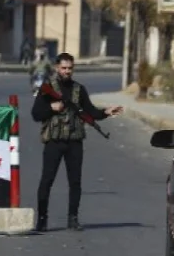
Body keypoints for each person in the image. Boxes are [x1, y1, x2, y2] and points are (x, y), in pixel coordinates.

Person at [31, 52, 124, 232]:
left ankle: (73, 218)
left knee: (75, 182)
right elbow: (36, 113)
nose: (67, 71)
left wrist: (106, 112)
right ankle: (42, 219)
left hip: (74, 142)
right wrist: (51, 107)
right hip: (54, 141)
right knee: (46, 181)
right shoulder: (47, 88)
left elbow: (90, 112)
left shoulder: (78, 89)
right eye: (63, 68)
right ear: (57, 68)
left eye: (70, 68)